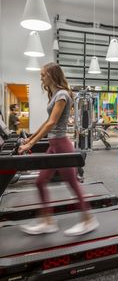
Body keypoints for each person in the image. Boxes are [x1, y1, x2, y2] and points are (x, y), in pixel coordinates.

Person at [19, 62, 99, 236]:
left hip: (62, 145)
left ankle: (88, 220)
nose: (41, 78)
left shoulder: (62, 95)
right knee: (40, 182)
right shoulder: (55, 94)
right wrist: (29, 139)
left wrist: (31, 144)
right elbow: (46, 122)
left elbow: (52, 122)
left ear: (52, 75)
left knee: (72, 183)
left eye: (43, 75)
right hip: (54, 146)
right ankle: (47, 221)